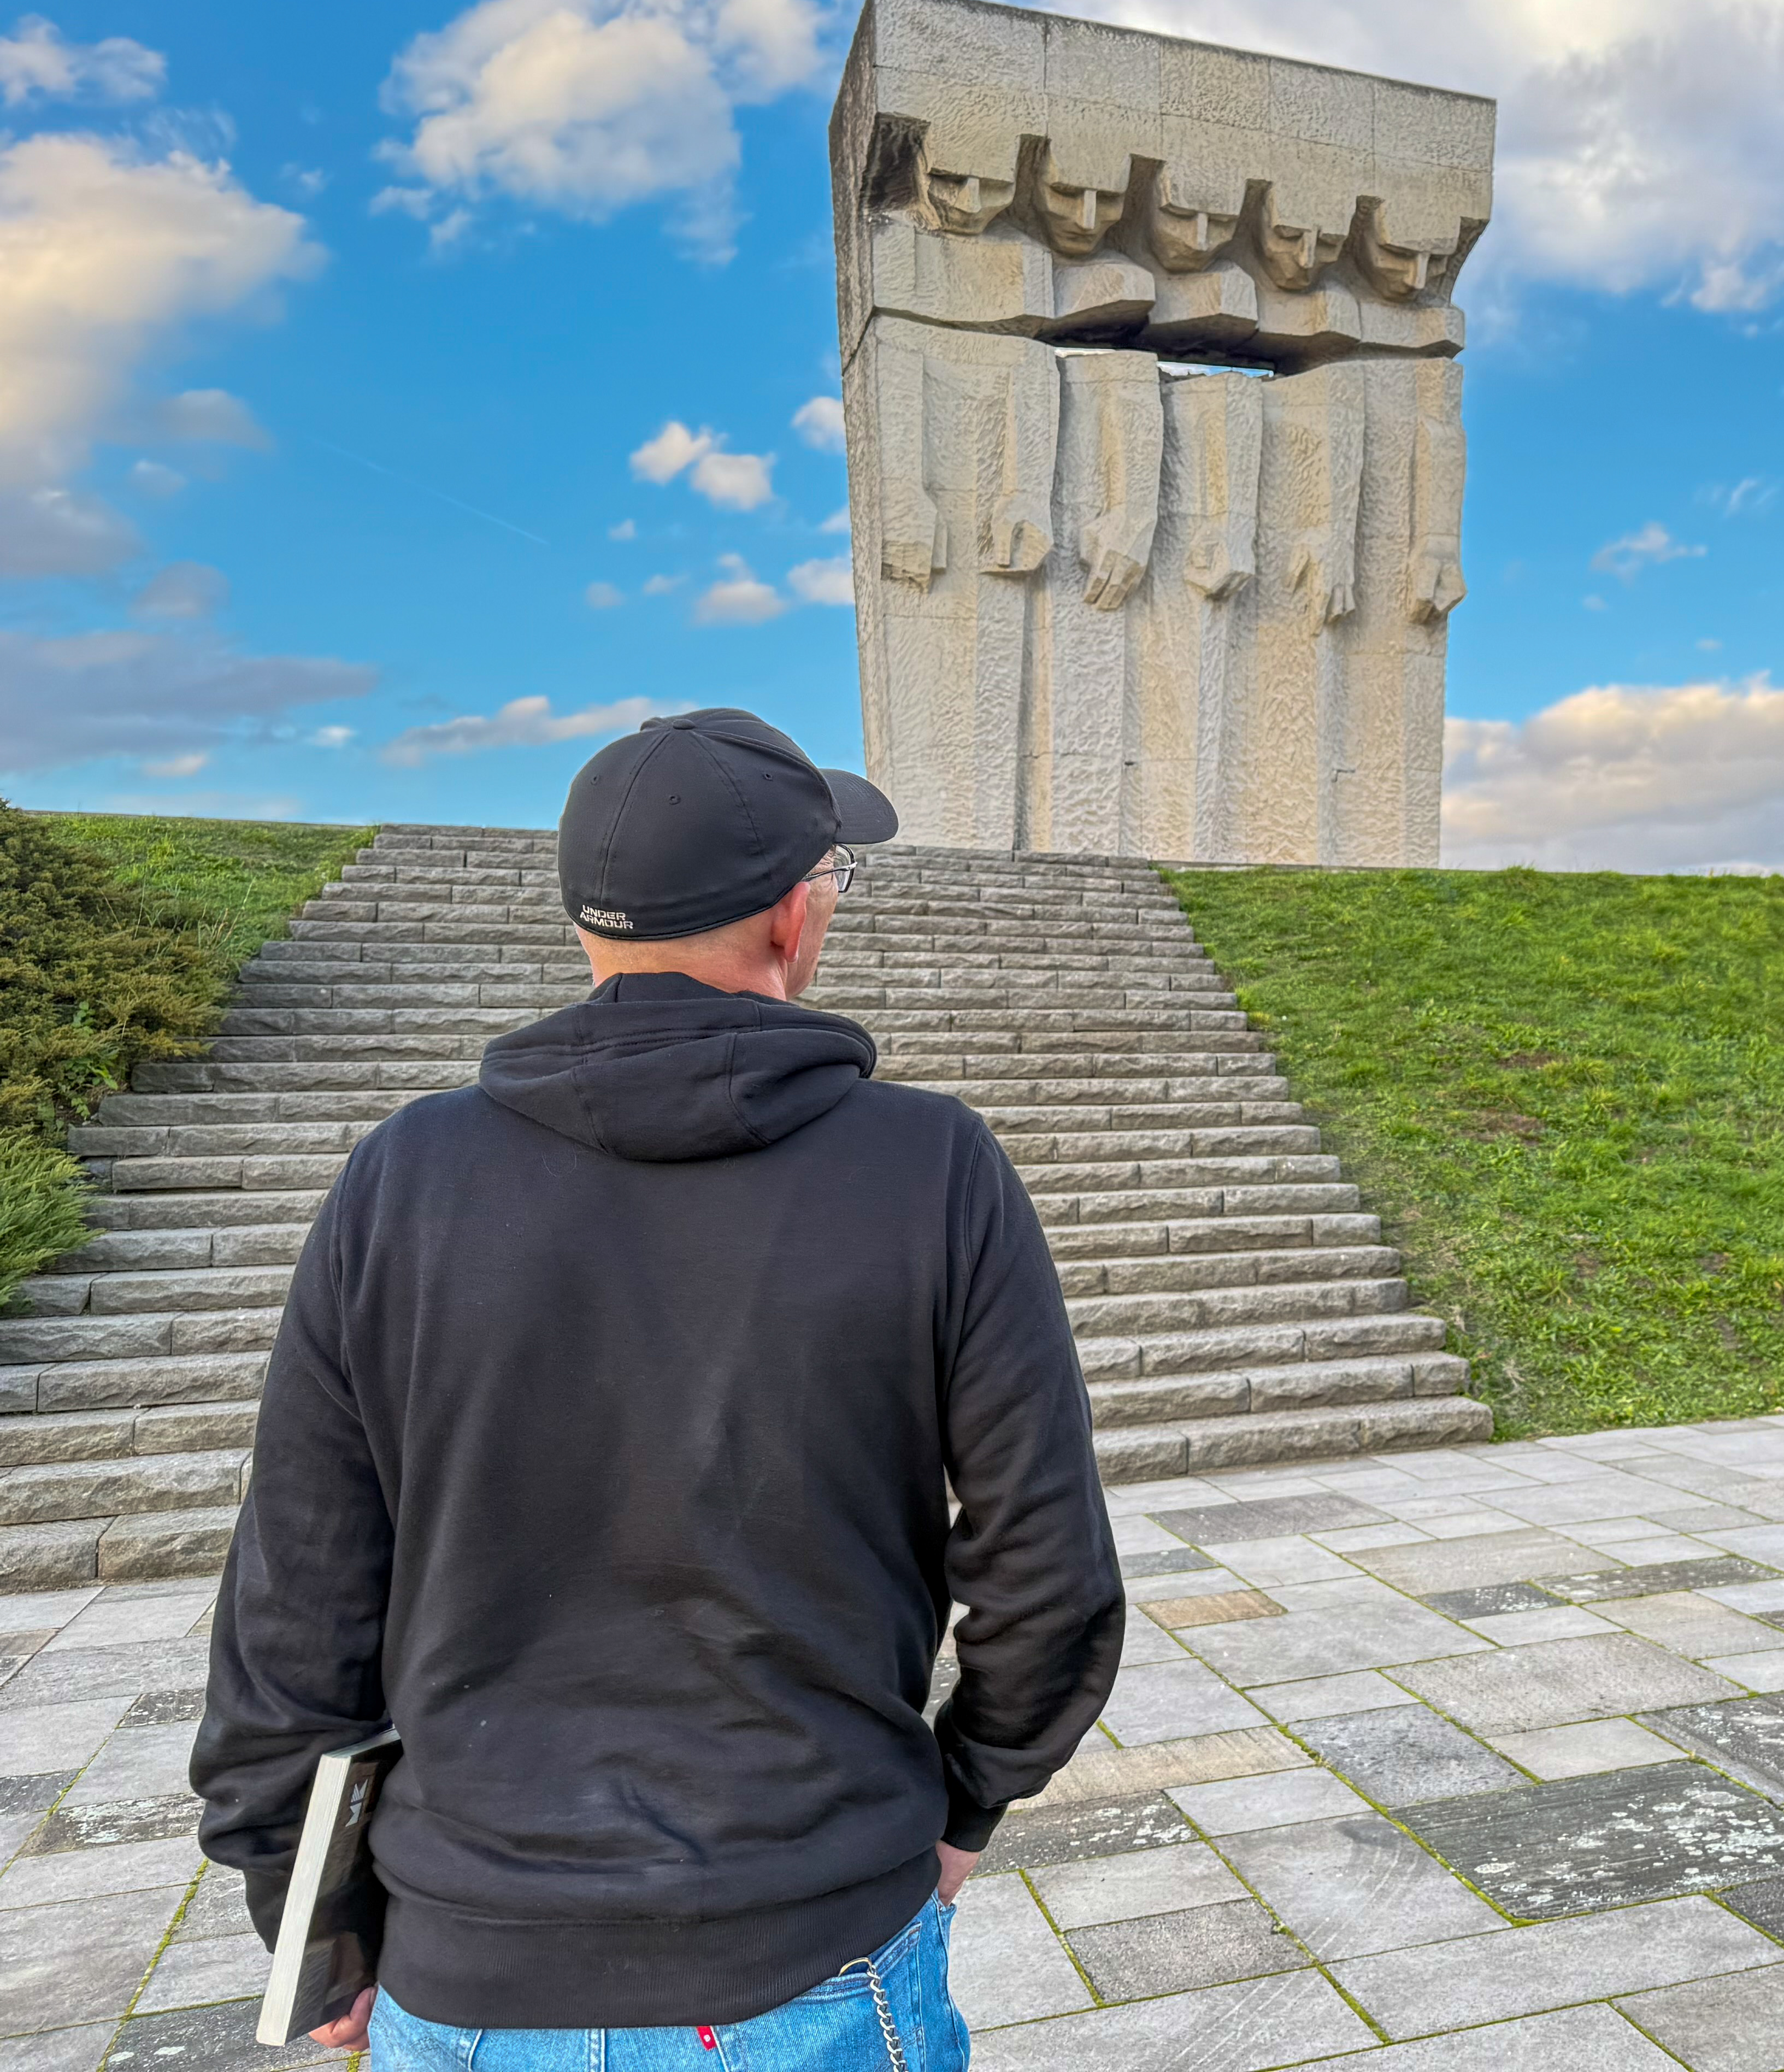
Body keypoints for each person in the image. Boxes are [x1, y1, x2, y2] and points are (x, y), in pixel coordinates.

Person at [191, 709, 1125, 2070]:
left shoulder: (404, 1177)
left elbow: (299, 1585)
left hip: (464, 1959)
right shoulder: (931, 1169)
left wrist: (308, 1912)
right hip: (808, 1939)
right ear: (795, 914)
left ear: (591, 926)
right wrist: (966, 1803)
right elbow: (1050, 1571)